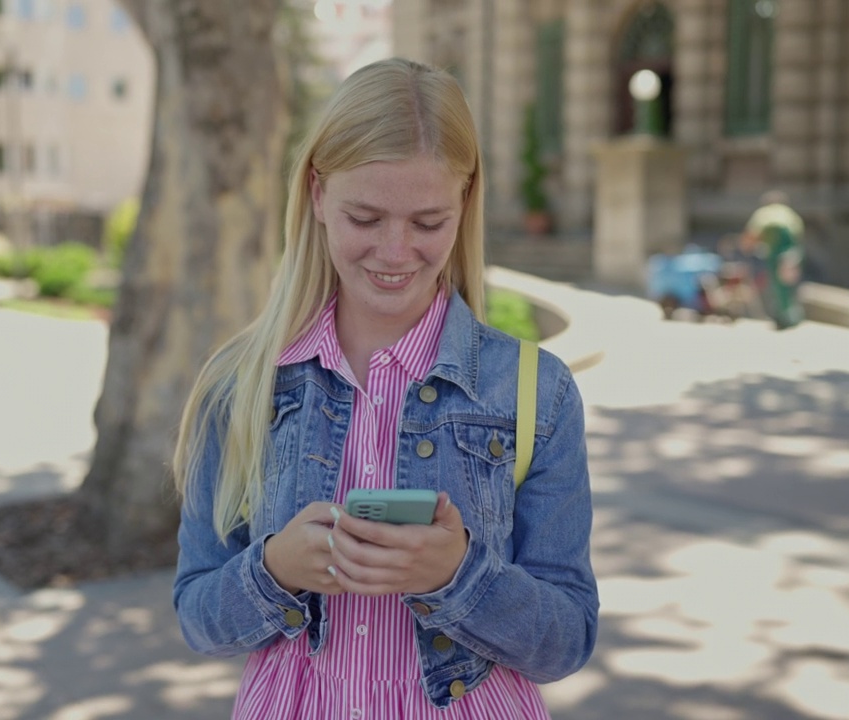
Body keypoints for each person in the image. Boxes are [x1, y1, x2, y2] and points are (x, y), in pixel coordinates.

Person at [172, 58, 598, 718]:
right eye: (365, 218)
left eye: (427, 223)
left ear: (465, 202)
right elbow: (198, 618)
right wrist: (274, 569)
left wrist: (459, 576)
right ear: (316, 194)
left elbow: (567, 639)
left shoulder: (537, 393)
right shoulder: (239, 387)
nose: (396, 252)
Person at [741, 190, 806, 329]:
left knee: (777, 284)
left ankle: (783, 316)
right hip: (791, 251)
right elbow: (799, 234)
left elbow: (751, 234)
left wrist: (746, 249)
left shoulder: (763, 213)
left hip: (776, 251)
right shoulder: (789, 213)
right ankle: (791, 315)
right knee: (790, 284)